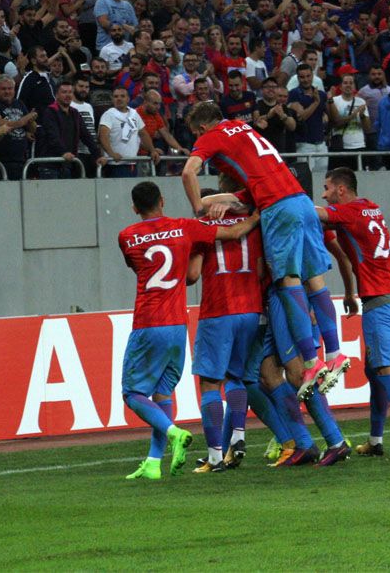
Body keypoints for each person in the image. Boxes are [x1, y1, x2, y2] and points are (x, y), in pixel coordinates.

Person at [182, 101, 349, 402]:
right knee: (315, 280)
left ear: (202, 128)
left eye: (196, 134)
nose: (197, 141)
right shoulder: (244, 130)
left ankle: (311, 363)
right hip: (301, 200)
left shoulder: (212, 135)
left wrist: (198, 207)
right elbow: (250, 191)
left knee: (288, 282)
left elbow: (188, 172)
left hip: (278, 210)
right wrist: (221, 200)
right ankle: (335, 353)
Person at [119, 180, 257, 480]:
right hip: (178, 324)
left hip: (147, 322)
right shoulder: (185, 227)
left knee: (132, 392)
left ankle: (173, 433)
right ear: (163, 201)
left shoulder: (127, 236)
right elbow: (234, 233)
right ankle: (154, 462)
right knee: (163, 391)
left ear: (134, 208)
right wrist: (257, 214)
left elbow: (142, 268)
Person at [317, 168, 390, 460]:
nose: (324, 194)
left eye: (327, 188)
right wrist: (352, 293)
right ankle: (376, 441)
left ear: (341, 190)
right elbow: (346, 254)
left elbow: (316, 214)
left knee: (387, 372)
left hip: (379, 302)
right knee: (375, 371)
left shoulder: (348, 212)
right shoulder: (370, 208)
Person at [187, 188, 264, 473]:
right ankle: (239, 435)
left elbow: (192, 276)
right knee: (236, 376)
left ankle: (215, 456)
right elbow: (259, 269)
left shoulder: (202, 226)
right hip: (251, 309)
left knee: (209, 384)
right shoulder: (251, 224)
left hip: (219, 310)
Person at [99, 87, 156, 177]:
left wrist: (152, 150)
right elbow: (103, 136)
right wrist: (112, 154)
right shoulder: (108, 115)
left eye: (122, 96)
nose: (119, 99)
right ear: (112, 99)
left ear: (128, 99)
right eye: (116, 96)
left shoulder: (134, 114)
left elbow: (143, 134)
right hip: (115, 165)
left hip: (132, 163)